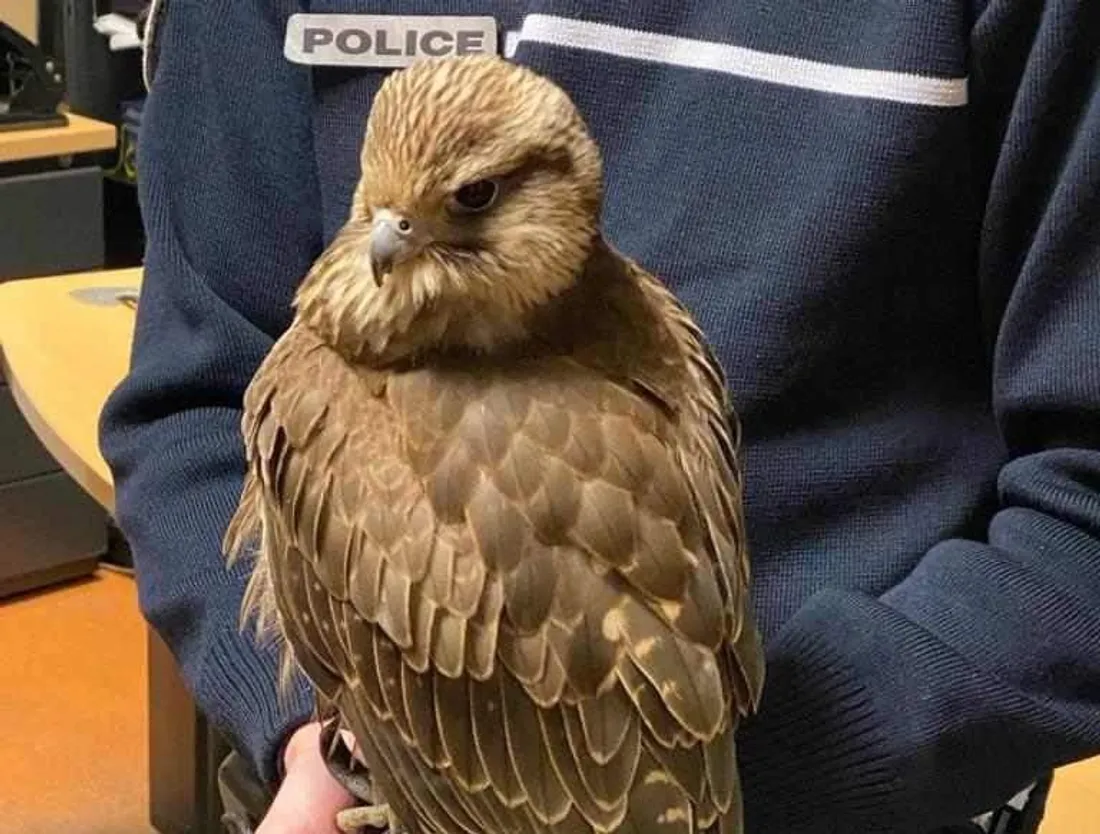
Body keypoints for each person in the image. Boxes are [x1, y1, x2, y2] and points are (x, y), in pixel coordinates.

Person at [98, 1, 1100, 832]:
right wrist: (330, 748)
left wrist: (748, 776)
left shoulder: (646, 336)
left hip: (864, 788)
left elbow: (1082, 511)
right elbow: (194, 392)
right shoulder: (331, 365)